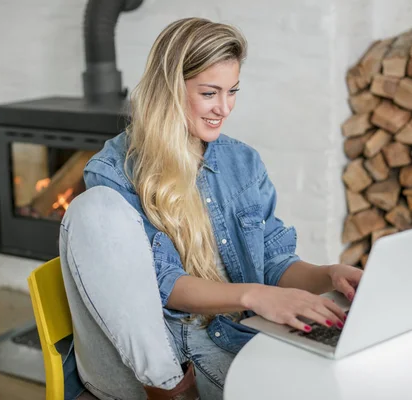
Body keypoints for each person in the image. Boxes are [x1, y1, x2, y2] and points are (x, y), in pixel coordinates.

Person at [59, 17, 362, 400]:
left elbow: (273, 261)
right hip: (168, 350)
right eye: (209, 93)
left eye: (232, 91)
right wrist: (254, 296)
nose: (224, 108)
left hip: (236, 332)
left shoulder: (242, 162)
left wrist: (330, 274)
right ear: (170, 89)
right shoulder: (115, 172)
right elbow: (161, 284)